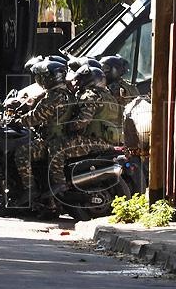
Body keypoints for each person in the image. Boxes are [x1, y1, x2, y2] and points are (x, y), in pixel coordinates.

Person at [47, 66, 121, 196]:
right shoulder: (110, 97)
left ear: (88, 80)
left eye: (80, 79)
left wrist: (67, 127)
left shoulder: (89, 95)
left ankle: (59, 183)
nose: (77, 83)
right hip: (110, 142)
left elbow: (83, 121)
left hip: (93, 141)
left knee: (56, 147)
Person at [9, 60, 73, 208]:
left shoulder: (55, 96)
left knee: (22, 152)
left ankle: (30, 189)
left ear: (50, 78)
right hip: (58, 137)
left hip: (52, 139)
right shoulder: (65, 93)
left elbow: (36, 117)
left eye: (42, 77)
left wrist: (16, 121)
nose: (39, 80)